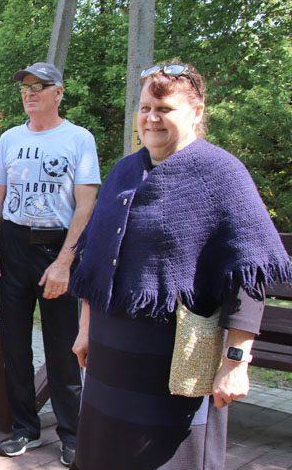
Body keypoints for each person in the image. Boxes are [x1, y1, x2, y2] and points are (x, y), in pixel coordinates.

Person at [68, 63, 291, 470]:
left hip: (176, 364)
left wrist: (235, 363)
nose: (151, 118)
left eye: (165, 109)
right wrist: (85, 331)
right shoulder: (125, 171)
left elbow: (248, 276)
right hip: (110, 358)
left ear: (197, 112)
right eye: (145, 107)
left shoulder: (221, 174)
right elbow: (94, 262)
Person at [0, 62, 100, 466]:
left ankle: (71, 434)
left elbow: (86, 204)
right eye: (25, 87)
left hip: (57, 250)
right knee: (13, 346)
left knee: (63, 348)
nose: (29, 93)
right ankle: (24, 428)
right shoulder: (11, 138)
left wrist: (65, 261)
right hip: (13, 247)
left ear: (59, 92)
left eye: (39, 87)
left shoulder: (79, 139)